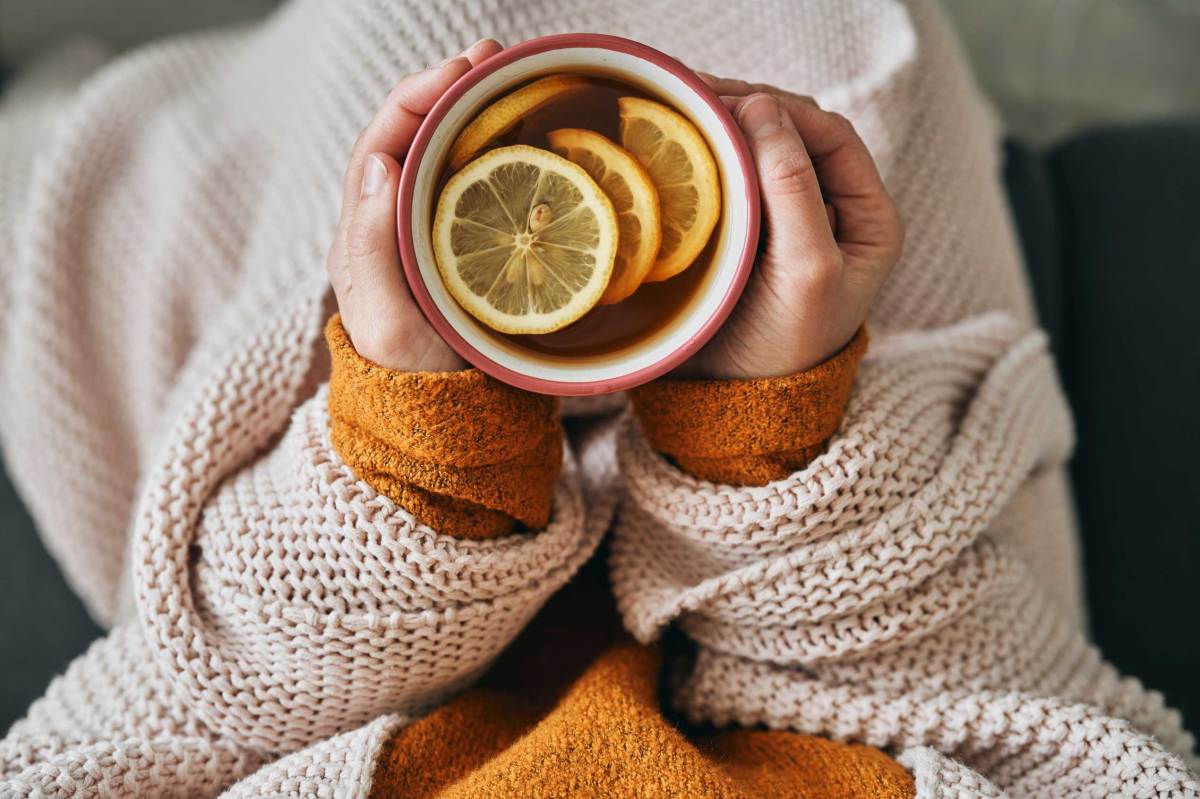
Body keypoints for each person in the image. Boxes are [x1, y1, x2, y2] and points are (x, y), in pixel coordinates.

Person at [0, 1, 1195, 796]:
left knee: (402, 76)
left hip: (354, 576)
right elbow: (1064, 740)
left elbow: (138, 720)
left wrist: (424, 442)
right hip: (837, 553)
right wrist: (765, 423)